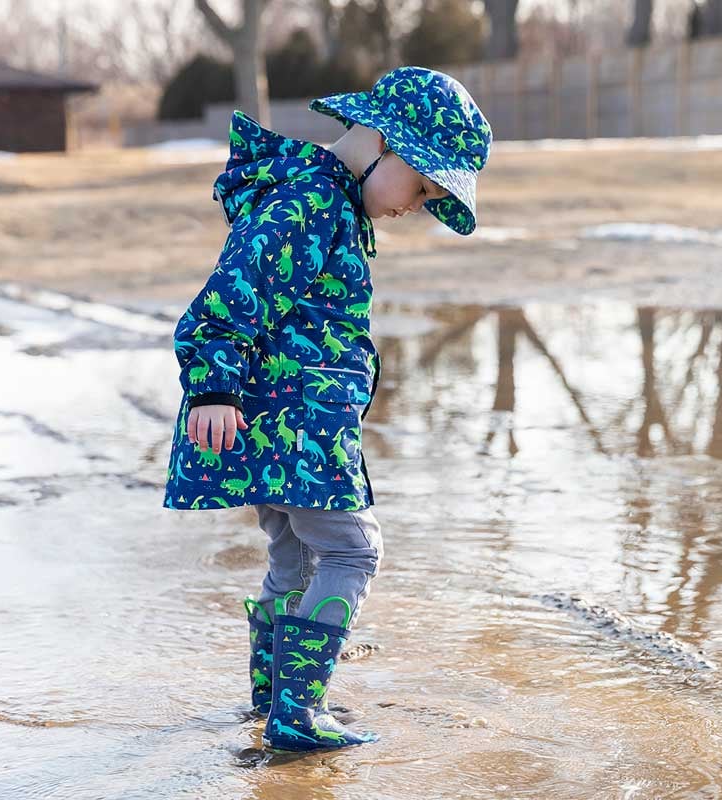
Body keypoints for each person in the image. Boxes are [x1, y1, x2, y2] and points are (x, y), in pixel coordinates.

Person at [162, 65, 492, 752]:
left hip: (291, 420)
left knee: (297, 559)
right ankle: (297, 711)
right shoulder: (310, 202)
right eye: (424, 184)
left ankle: (272, 698)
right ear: (381, 143)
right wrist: (214, 387)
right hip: (295, 425)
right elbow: (229, 294)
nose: (419, 204)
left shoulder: (325, 203)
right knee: (353, 549)